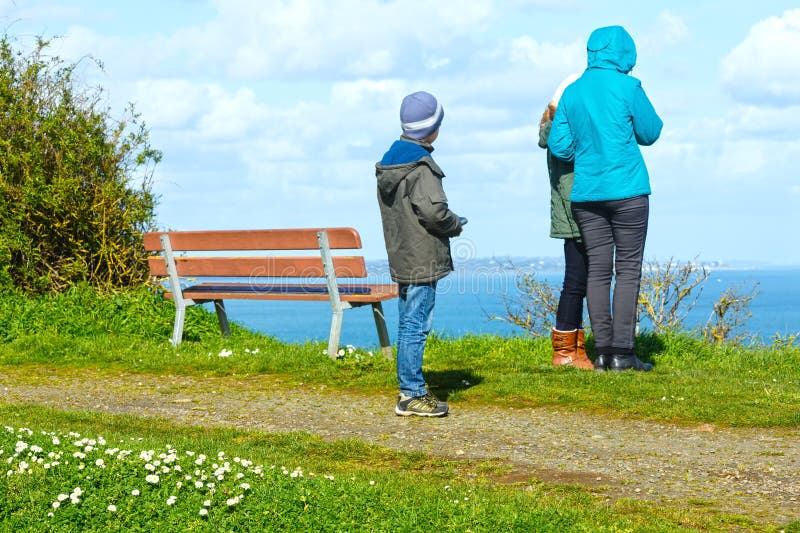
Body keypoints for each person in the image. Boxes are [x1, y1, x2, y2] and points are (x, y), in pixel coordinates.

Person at [548, 25, 663, 372]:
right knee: (628, 271)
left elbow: (559, 145)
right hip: (628, 190)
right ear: (625, 53)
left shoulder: (573, 92)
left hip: (586, 195)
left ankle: (601, 354)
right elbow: (650, 132)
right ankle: (623, 354)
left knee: (597, 272)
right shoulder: (629, 87)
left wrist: (587, 146)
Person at [375, 91, 464, 416]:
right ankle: (411, 393)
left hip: (402, 254)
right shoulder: (421, 166)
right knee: (416, 324)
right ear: (432, 128)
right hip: (422, 257)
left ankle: (408, 388)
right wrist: (456, 224)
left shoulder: (389, 162)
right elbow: (434, 213)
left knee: (407, 321)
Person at [538, 73, 593, 370]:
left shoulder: (553, 128)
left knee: (579, 280)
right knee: (576, 281)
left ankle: (573, 349)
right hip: (577, 213)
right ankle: (566, 352)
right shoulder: (565, 132)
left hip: (569, 211)